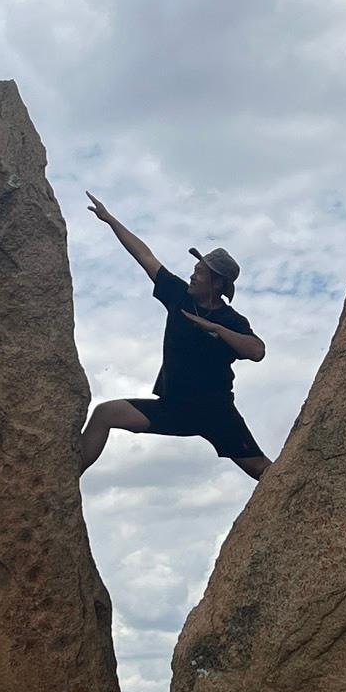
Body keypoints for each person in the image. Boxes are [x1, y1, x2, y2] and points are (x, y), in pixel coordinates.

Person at [77, 193, 272, 480]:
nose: (192, 276)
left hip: (216, 411)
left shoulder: (231, 320)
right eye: (194, 271)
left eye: (199, 273)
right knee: (106, 414)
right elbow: (145, 256)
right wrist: (109, 220)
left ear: (217, 283)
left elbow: (257, 351)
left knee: (262, 470)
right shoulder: (179, 296)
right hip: (174, 408)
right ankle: (65, 479)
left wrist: (216, 330)